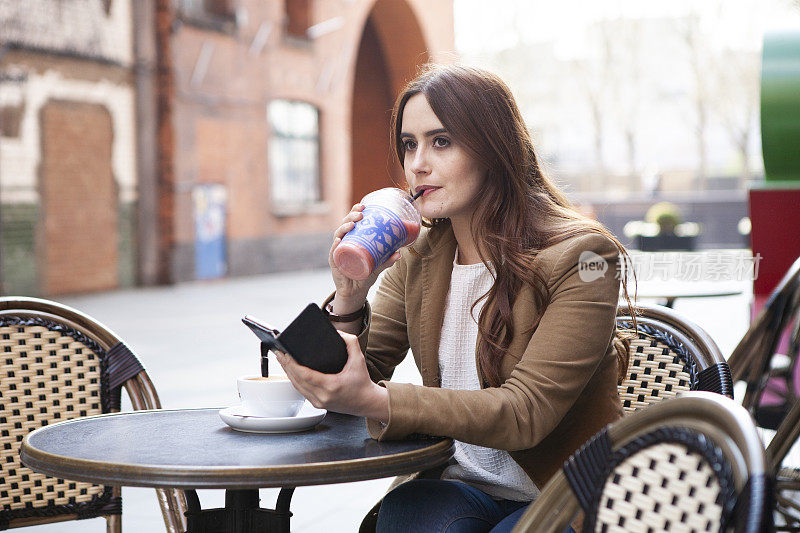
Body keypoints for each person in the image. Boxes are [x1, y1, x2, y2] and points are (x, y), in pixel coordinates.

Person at [275, 64, 635, 533]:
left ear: (493, 149)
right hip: (463, 487)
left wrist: (378, 402)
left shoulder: (586, 258)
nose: (417, 164)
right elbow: (362, 370)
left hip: (567, 493)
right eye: (410, 144)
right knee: (408, 514)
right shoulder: (419, 255)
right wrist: (349, 294)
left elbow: (525, 413)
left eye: (441, 141)